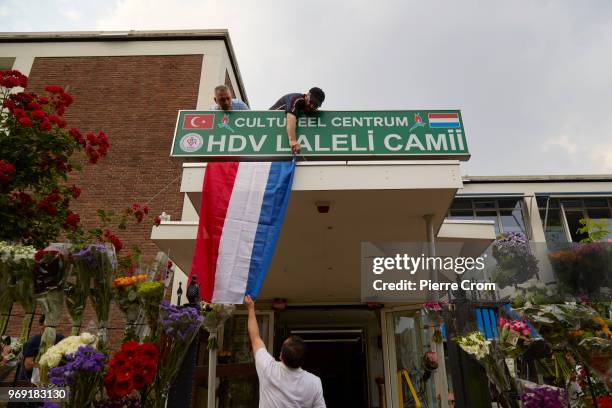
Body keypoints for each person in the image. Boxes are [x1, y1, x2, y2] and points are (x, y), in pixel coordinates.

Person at [244, 295, 326, 408]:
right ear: (302, 360)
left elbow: (255, 337)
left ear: (281, 355)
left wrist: (251, 308)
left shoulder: (268, 369)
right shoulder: (314, 383)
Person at [269, 87, 325, 154]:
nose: (312, 106)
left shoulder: (307, 107)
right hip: (269, 124)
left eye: (316, 105)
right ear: (307, 95)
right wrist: (292, 141)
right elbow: (291, 118)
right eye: (311, 101)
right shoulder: (296, 99)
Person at [16, 314, 64, 382]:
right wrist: (46, 368)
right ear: (40, 325)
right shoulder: (34, 341)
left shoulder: (61, 339)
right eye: (48, 326)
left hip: (54, 380)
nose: (51, 329)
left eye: (53, 326)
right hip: (31, 380)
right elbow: (28, 365)